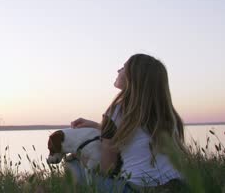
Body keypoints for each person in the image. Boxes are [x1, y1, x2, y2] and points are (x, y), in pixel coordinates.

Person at [67, 53, 187, 192]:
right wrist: (99, 127)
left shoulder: (116, 111)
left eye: (123, 67)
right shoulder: (167, 116)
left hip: (137, 190)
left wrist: (79, 153)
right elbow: (137, 134)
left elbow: (107, 169)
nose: (118, 70)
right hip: (178, 187)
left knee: (72, 163)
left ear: (133, 77)